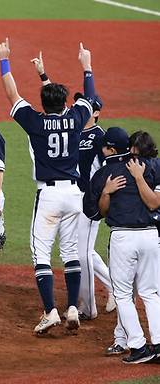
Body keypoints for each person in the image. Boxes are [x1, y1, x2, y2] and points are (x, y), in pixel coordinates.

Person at [0, 39, 96, 334]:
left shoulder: (36, 122)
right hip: (74, 195)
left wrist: (5, 61)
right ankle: (73, 308)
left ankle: (50, 311)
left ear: (43, 104)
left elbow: (12, 94)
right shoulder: (77, 118)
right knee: (70, 252)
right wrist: (86, 66)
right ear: (65, 104)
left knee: (41, 254)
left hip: (50, 195)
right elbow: (88, 97)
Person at [30, 52, 115, 320]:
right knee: (80, 252)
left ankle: (88, 307)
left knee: (82, 252)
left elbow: (107, 171)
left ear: (94, 112)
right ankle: (104, 290)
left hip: (88, 202)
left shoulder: (98, 137)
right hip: (73, 198)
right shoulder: (73, 126)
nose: (73, 106)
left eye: (79, 103)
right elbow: (55, 102)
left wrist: (103, 198)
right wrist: (44, 76)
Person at [84, 127, 160, 364]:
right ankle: (158, 344)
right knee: (150, 292)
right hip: (150, 236)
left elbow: (93, 213)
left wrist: (106, 193)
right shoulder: (154, 166)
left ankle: (137, 347)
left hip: (123, 238)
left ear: (110, 149)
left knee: (124, 294)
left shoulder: (105, 173)